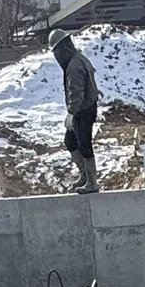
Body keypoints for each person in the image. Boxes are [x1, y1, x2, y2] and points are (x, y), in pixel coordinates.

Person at [51, 33, 98, 193]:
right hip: (85, 108)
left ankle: (92, 182)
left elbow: (76, 92)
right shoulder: (78, 59)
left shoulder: (74, 66)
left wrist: (71, 113)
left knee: (84, 145)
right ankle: (85, 176)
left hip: (82, 111)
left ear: (61, 49)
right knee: (70, 141)